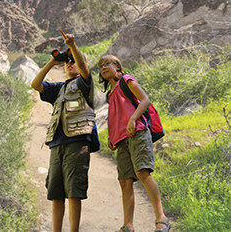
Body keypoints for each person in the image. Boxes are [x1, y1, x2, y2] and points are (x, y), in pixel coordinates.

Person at [31, 32, 95, 232]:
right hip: (57, 144)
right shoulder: (59, 88)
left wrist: (73, 47)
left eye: (72, 62)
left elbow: (83, 67)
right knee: (56, 192)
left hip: (77, 141)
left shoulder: (84, 83)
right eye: (67, 63)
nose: (70, 64)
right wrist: (52, 62)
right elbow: (36, 85)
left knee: (74, 190)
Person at [98, 55, 170, 232]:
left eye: (107, 63)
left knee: (142, 172)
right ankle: (128, 226)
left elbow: (145, 100)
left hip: (137, 132)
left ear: (118, 67)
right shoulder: (110, 94)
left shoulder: (126, 80)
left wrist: (133, 119)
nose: (103, 67)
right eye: (100, 66)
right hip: (121, 140)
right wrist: (112, 137)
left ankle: (162, 219)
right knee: (125, 181)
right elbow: (116, 117)